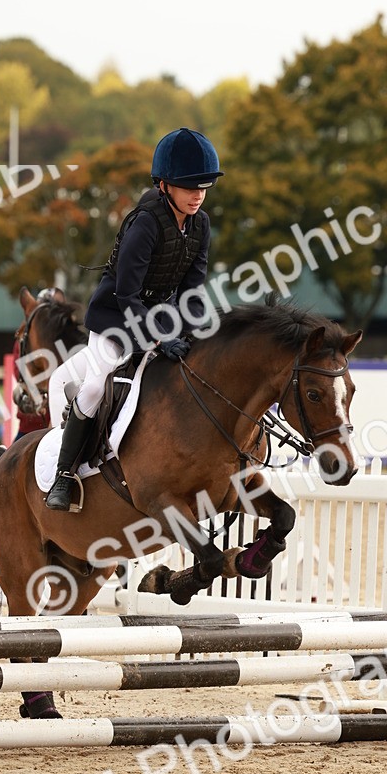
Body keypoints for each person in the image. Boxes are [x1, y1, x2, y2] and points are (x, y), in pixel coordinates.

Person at [44, 126, 223, 511]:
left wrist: (195, 333)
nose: (198, 195)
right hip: (115, 318)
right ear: (164, 185)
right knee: (93, 389)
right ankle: (64, 474)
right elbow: (127, 294)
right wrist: (159, 339)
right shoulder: (145, 223)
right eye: (189, 186)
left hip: (160, 318)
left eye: (204, 186)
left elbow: (192, 291)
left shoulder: (201, 225)